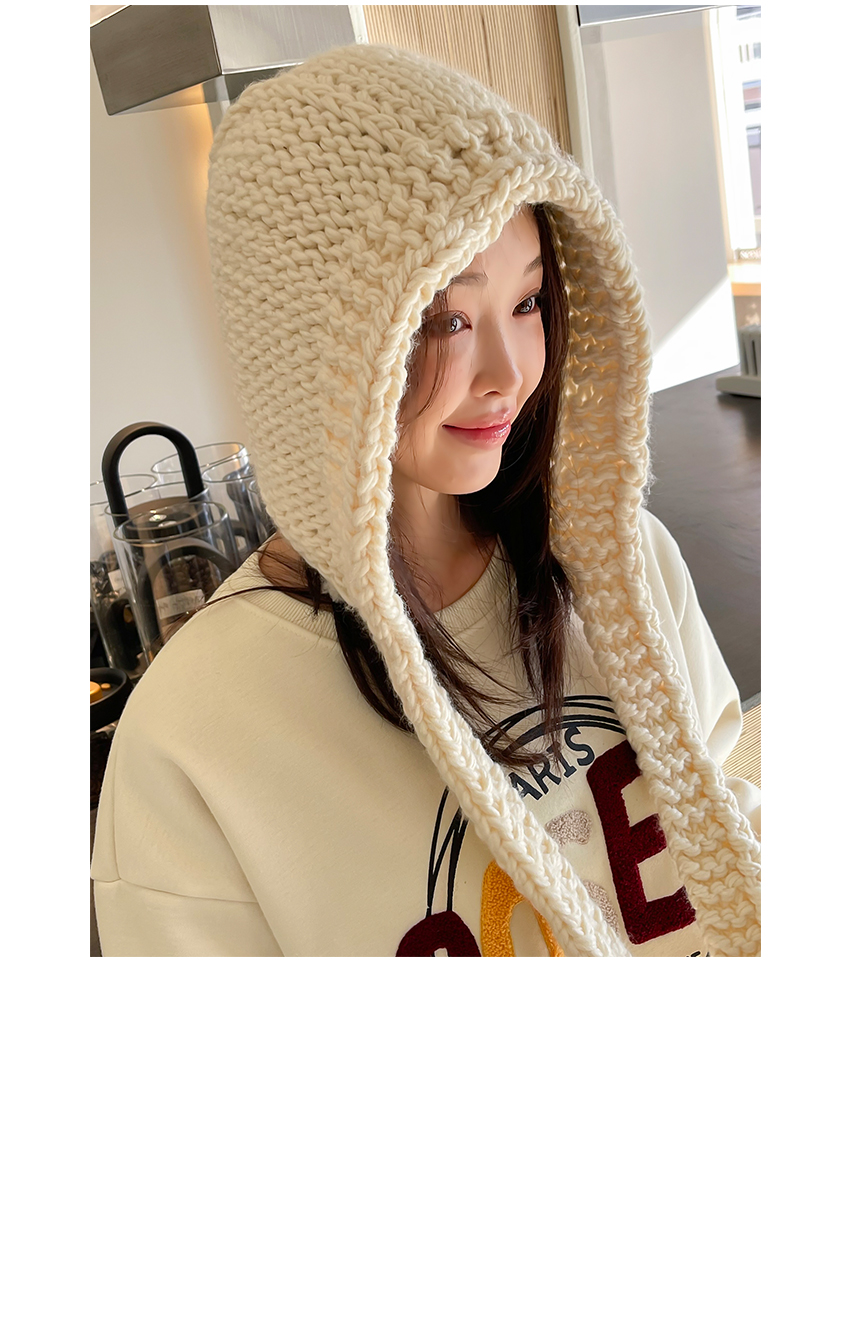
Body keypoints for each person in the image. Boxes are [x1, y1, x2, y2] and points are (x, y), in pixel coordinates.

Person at [91, 42, 761, 957]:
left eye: (529, 302)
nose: (509, 373)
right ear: (318, 353)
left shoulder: (625, 562)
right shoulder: (194, 736)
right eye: (448, 318)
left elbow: (731, 816)